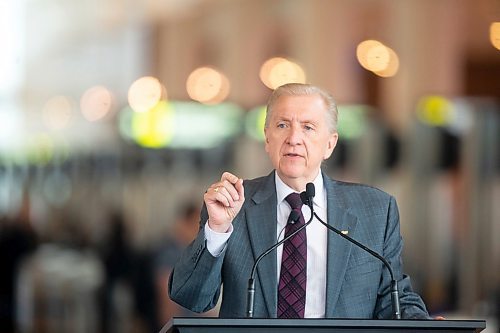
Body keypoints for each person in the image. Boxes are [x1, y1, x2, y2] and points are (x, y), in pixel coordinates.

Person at [168, 83, 430, 319]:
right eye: (283, 125)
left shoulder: (375, 210)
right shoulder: (234, 204)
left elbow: (393, 300)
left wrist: (427, 327)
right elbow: (191, 298)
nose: (294, 138)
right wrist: (217, 230)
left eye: (308, 127)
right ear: (267, 138)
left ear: (330, 144)